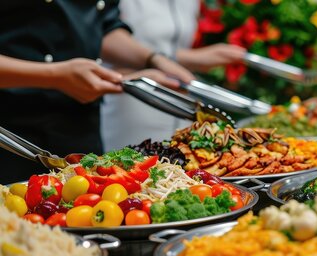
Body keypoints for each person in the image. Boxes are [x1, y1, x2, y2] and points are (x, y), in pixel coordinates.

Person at [0, 0, 195, 184]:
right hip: (10, 134)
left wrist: (154, 59)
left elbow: (101, 27)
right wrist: (54, 76)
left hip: (80, 129)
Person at [101, 0, 246, 152]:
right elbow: (101, 36)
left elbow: (172, 47)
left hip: (180, 104)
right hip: (130, 102)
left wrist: (190, 59)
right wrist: (185, 59)